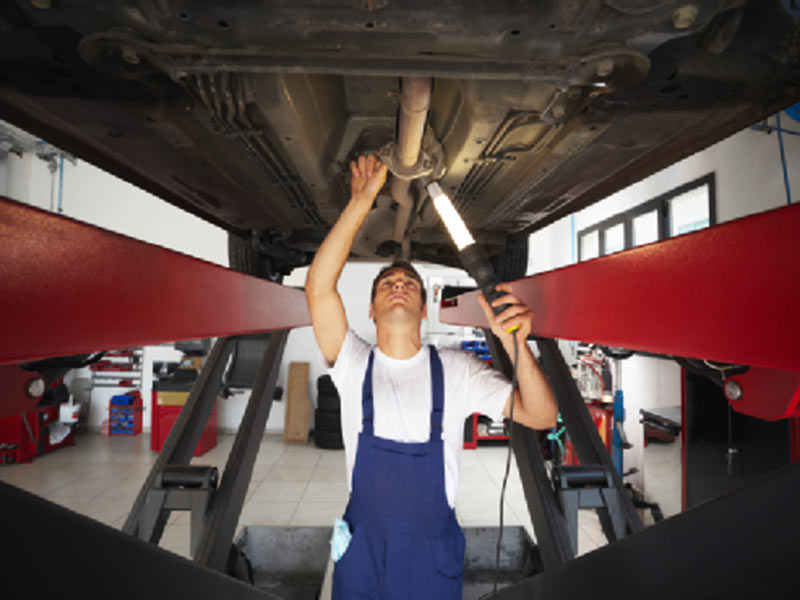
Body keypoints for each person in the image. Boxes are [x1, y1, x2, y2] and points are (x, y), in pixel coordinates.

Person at [305, 154, 557, 599]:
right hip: (363, 549)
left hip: (430, 553)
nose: (398, 284)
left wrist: (516, 341)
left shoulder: (456, 369)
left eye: (409, 283)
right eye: (387, 283)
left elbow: (540, 417)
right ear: (370, 309)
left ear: (424, 309)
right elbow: (319, 287)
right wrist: (361, 202)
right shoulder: (351, 362)